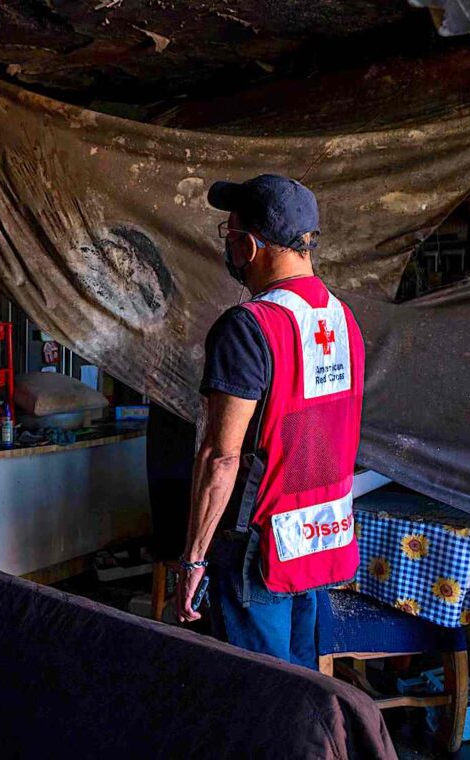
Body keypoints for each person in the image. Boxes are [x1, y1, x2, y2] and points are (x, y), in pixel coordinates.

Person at [175, 175, 365, 669]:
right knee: (300, 688)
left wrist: (194, 559)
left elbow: (221, 457)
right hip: (319, 536)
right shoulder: (344, 321)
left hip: (257, 549)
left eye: (231, 234)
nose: (230, 247)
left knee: (256, 692)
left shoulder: (249, 328)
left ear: (251, 245)